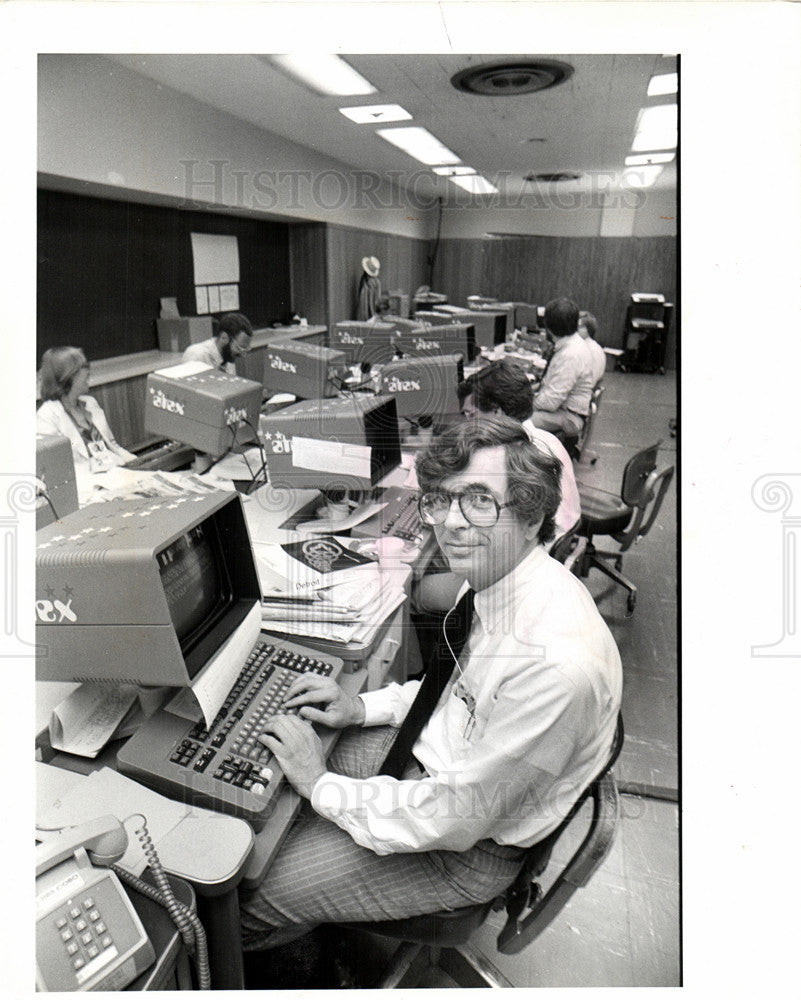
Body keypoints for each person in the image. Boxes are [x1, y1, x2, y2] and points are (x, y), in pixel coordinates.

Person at [238, 416, 622, 949]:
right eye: (441, 499)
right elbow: (456, 691)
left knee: (246, 898)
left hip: (463, 847)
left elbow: (454, 818)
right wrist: (360, 708)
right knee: (276, 781)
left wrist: (319, 783)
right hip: (437, 766)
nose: (452, 523)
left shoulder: (556, 665)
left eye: (481, 501)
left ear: (532, 518)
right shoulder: (499, 579)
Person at [457, 360, 581, 537]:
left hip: (540, 547)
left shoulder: (511, 456)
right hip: (561, 538)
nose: (467, 424)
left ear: (497, 412)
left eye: (472, 415)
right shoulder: (548, 439)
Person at [36, 346, 136, 472]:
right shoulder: (46, 416)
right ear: (68, 376)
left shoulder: (90, 403)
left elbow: (112, 445)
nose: (88, 372)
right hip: (89, 483)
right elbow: (58, 470)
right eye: (82, 369)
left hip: (117, 470)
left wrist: (136, 463)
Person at [529, 297, 595, 441]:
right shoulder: (571, 344)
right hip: (564, 411)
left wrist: (524, 402)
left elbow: (551, 403)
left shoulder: (570, 354)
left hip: (568, 417)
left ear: (549, 327)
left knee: (514, 423)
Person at [182, 312, 253, 373]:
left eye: (246, 349)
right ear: (224, 338)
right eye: (239, 348)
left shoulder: (227, 357)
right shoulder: (196, 355)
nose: (243, 355)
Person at [578, 310, 607, 386]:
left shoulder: (593, 351)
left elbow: (591, 382)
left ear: (585, 329)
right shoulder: (584, 346)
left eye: (576, 327)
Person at [356, 256, 382, 321]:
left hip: (368, 313)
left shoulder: (368, 283)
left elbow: (367, 301)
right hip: (372, 312)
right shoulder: (376, 282)